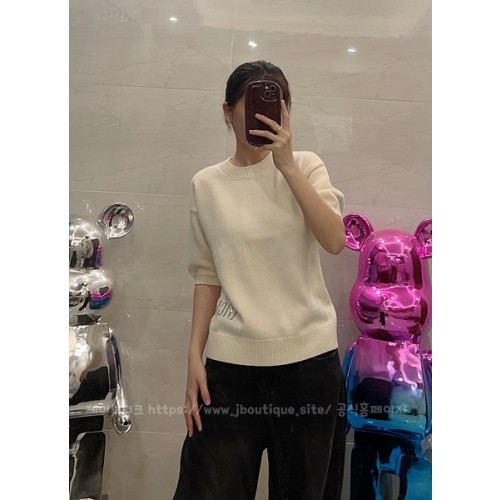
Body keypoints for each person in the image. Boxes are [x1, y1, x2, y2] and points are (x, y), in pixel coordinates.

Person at [173, 60, 347, 500]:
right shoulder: (206, 184)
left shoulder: (306, 166)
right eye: (250, 103)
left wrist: (286, 166)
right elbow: (207, 273)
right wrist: (194, 356)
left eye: (277, 103)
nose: (265, 114)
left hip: (309, 366)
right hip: (230, 369)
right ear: (227, 112)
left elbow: (334, 240)